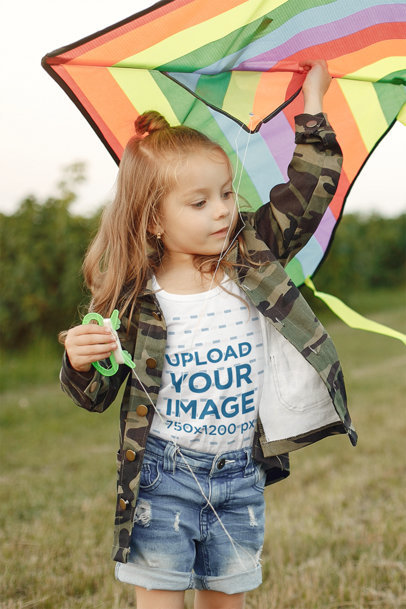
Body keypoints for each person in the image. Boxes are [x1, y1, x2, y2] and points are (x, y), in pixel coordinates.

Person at [60, 60, 357, 609]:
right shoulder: (133, 298)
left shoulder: (251, 255)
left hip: (240, 474)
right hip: (163, 476)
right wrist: (80, 363)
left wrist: (312, 104)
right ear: (153, 218)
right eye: (199, 203)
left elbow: (309, 191)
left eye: (225, 193)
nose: (223, 211)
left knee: (227, 600)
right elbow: (96, 395)